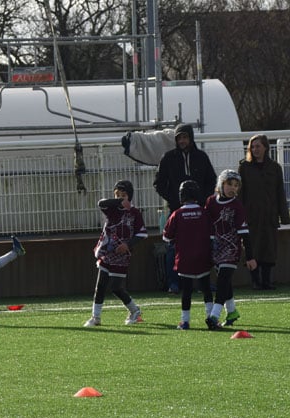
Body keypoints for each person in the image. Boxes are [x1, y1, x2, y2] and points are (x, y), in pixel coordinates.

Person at [154, 123, 217, 294]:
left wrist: (202, 199)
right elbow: (159, 183)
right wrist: (174, 199)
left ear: (191, 138)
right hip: (177, 210)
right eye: (179, 138)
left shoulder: (201, 157)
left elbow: (211, 180)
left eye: (185, 137)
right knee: (173, 246)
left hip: (200, 211)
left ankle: (203, 283)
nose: (182, 141)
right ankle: (174, 283)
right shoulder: (168, 158)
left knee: (203, 245)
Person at [84, 180, 147, 327]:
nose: (119, 198)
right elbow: (101, 203)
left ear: (130, 196)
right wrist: (119, 201)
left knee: (116, 287)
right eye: (117, 195)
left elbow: (142, 234)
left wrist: (127, 245)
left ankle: (135, 310)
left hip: (122, 256)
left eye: (123, 195)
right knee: (100, 285)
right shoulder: (111, 209)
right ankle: (96, 317)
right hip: (107, 252)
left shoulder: (135, 213)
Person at [205, 170, 257, 328]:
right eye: (229, 184)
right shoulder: (211, 202)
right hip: (216, 248)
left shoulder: (237, 206)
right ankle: (232, 311)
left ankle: (214, 316)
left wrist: (250, 256)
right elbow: (207, 225)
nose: (233, 188)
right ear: (221, 185)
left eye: (236, 185)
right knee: (225, 281)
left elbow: (244, 233)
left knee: (222, 280)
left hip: (232, 248)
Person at [238, 134, 290, 289]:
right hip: (251, 215)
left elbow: (280, 192)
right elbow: (240, 192)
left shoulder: (275, 168)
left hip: (269, 215)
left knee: (269, 249)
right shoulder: (244, 167)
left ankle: (267, 281)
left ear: (266, 147)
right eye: (252, 147)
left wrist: (284, 216)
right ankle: (255, 281)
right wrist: (239, 214)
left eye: (258, 146)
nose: (255, 150)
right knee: (252, 248)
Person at [162, 180, 215, 330]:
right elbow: (212, 235)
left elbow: (166, 237)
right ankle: (211, 318)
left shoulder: (177, 214)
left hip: (184, 258)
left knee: (186, 291)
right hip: (203, 257)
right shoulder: (204, 213)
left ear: (181, 195)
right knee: (206, 289)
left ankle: (185, 321)